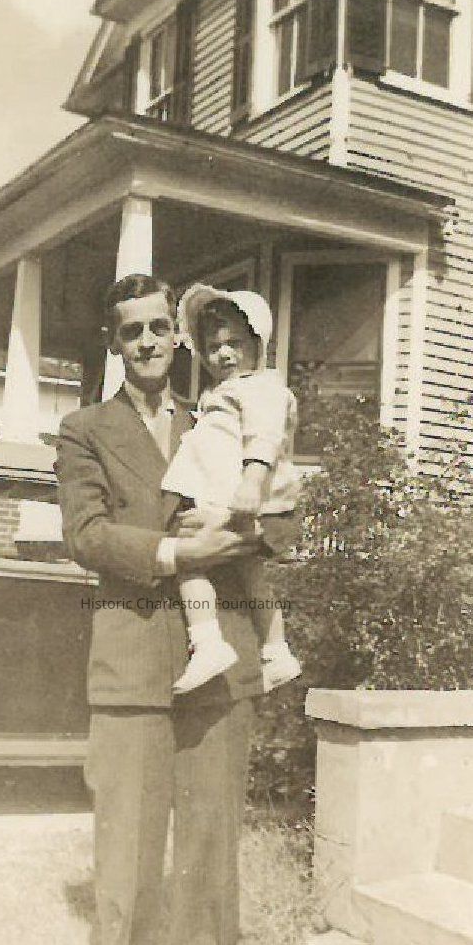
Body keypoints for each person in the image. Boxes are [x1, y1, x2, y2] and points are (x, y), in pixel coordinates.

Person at [55, 274, 293, 945]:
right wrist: (177, 552)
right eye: (133, 331)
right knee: (124, 848)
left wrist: (246, 530)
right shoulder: (84, 429)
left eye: (160, 327)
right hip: (130, 660)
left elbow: (282, 517)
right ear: (114, 343)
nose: (149, 341)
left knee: (210, 844)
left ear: (177, 335)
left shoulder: (224, 408)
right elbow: (87, 534)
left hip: (220, 659)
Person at [162, 284, 301, 695]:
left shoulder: (262, 388)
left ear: (258, 344)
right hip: (232, 496)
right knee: (251, 573)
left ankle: (207, 642)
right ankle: (276, 651)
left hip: (240, 496)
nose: (223, 354)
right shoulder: (226, 391)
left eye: (235, 344)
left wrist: (252, 483)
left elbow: (265, 437)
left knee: (188, 558)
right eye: (213, 347)